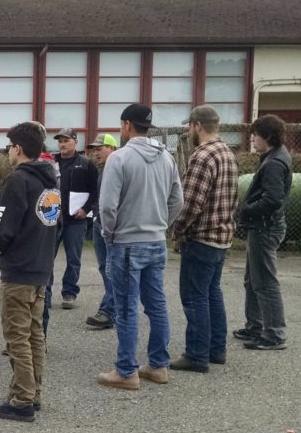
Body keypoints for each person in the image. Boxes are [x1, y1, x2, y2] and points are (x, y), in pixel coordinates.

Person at [95, 104, 183, 391]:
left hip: (127, 242)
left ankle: (126, 371)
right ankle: (158, 365)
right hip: (156, 240)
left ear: (126, 125)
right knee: (156, 305)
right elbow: (177, 201)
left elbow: (107, 205)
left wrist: (110, 233)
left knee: (126, 307)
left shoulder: (119, 159)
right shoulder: (166, 157)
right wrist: (161, 224)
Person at [0, 122, 59, 421]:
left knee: (16, 337)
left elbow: (2, 229)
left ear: (18, 148)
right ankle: (34, 392)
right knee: (34, 335)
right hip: (41, 269)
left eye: (8, 146)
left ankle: (21, 400)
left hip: (18, 272)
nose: (7, 152)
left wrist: (2, 255)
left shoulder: (18, 181)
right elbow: (57, 225)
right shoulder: (51, 182)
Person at [170, 107, 239, 372]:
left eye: (189, 127)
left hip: (201, 237)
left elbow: (190, 204)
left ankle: (196, 355)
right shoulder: (227, 153)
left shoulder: (202, 155)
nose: (188, 131)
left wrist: (177, 230)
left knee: (194, 296)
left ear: (198, 126)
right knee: (212, 292)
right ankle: (216, 350)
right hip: (222, 235)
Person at [234, 114, 292, 351]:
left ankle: (274, 334)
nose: (253, 140)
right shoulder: (275, 157)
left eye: (255, 135)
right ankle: (256, 326)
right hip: (264, 226)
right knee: (253, 280)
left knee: (265, 281)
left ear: (267, 136)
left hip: (265, 227)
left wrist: (246, 210)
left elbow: (273, 200)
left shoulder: (274, 163)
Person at [43, 128, 99, 333]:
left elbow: (96, 191)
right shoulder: (51, 162)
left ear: (75, 142)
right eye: (60, 141)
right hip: (52, 219)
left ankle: (69, 292)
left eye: (66, 141)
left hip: (75, 220)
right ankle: (45, 292)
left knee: (73, 258)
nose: (62, 144)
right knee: (48, 257)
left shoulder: (86, 164)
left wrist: (86, 210)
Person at [84, 134, 119, 330]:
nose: (96, 152)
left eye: (100, 148)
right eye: (94, 149)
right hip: (99, 223)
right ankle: (114, 308)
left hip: (109, 227)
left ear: (112, 148)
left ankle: (108, 311)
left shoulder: (116, 169)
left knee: (111, 269)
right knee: (105, 268)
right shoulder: (103, 170)